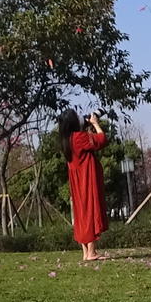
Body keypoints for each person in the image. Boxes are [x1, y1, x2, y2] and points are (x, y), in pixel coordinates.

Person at [61, 109, 108, 262]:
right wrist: (95, 124)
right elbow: (101, 140)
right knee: (90, 210)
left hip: (77, 181)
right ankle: (92, 252)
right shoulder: (79, 138)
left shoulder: (67, 140)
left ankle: (86, 252)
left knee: (81, 214)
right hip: (86, 178)